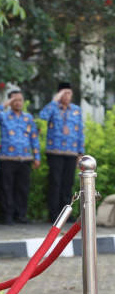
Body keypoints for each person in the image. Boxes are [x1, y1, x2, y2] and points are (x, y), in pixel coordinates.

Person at [0, 90, 40, 225]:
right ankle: (7, 216)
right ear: (10, 101)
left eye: (20, 100)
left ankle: (21, 215)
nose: (18, 102)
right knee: (6, 188)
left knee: (22, 188)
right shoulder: (3, 116)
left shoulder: (28, 117)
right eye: (15, 100)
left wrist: (37, 156)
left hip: (25, 158)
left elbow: (34, 137)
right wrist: (4, 105)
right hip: (8, 158)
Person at [39, 82, 84, 222]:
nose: (67, 96)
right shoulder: (53, 108)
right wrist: (55, 100)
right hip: (55, 152)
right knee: (55, 183)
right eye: (64, 93)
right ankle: (54, 215)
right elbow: (42, 116)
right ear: (59, 94)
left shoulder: (76, 110)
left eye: (69, 93)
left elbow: (80, 131)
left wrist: (80, 153)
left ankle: (66, 215)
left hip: (71, 153)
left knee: (67, 184)